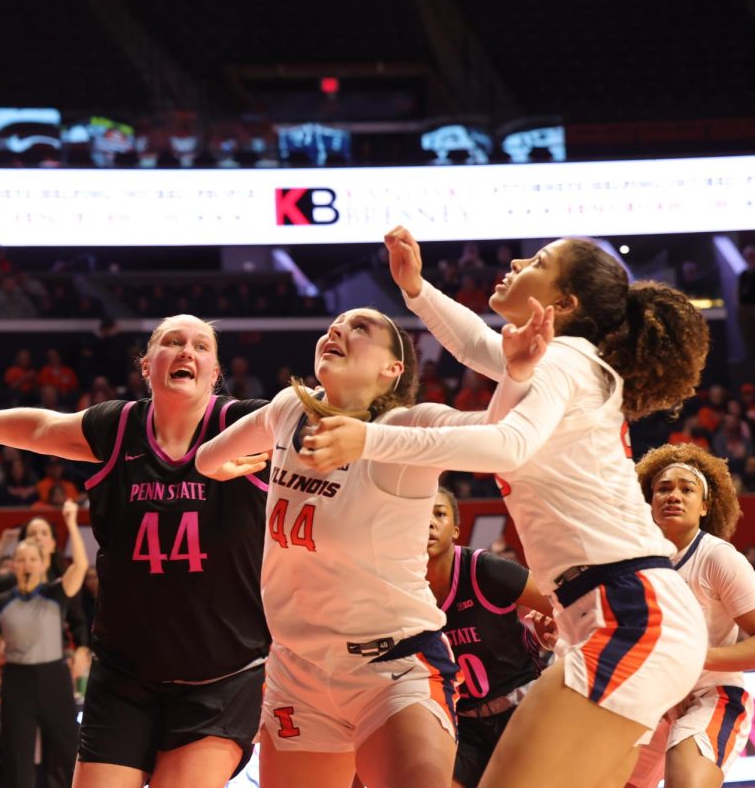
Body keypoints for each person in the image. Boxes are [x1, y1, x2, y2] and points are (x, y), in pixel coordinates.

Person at [296, 226, 712, 787]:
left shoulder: (566, 360)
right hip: (623, 611)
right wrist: (416, 290)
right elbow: (475, 347)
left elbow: (507, 443)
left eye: (538, 260)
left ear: (562, 304)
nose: (518, 260)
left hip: (629, 611)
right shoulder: (561, 361)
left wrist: (368, 439)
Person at [0, 314, 272, 788]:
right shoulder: (119, 427)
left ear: (215, 374)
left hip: (220, 676)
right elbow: (40, 429)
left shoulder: (243, 423)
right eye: (172, 342)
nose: (186, 351)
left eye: (200, 346)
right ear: (147, 365)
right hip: (125, 675)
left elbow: (313, 417)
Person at [195, 306, 473, 788]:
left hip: (389, 665)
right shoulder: (287, 409)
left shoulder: (408, 427)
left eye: (360, 328)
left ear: (393, 368)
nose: (337, 330)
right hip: (296, 671)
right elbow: (203, 458)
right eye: (334, 326)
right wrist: (218, 465)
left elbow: (503, 433)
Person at [626, 444, 755, 788]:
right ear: (648, 501)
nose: (674, 495)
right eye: (663, 488)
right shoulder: (631, 561)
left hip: (711, 695)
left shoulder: (717, 556)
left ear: (704, 507)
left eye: (687, 489)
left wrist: (692, 661)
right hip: (649, 702)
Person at [426, 487, 551, 788]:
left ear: (456, 530)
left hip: (521, 710)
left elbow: (563, 606)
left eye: (439, 513)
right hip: (464, 723)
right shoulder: (403, 586)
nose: (427, 522)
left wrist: (549, 635)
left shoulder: (484, 569)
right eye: (419, 514)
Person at [0, 499, 87, 788]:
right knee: (17, 756)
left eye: (33, 560)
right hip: (16, 680)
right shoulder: (0, 602)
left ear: (44, 563)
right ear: (13, 564)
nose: (26, 564)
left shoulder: (55, 593)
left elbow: (82, 566)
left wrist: (72, 523)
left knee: (64, 752)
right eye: (21, 559)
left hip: (54, 677)